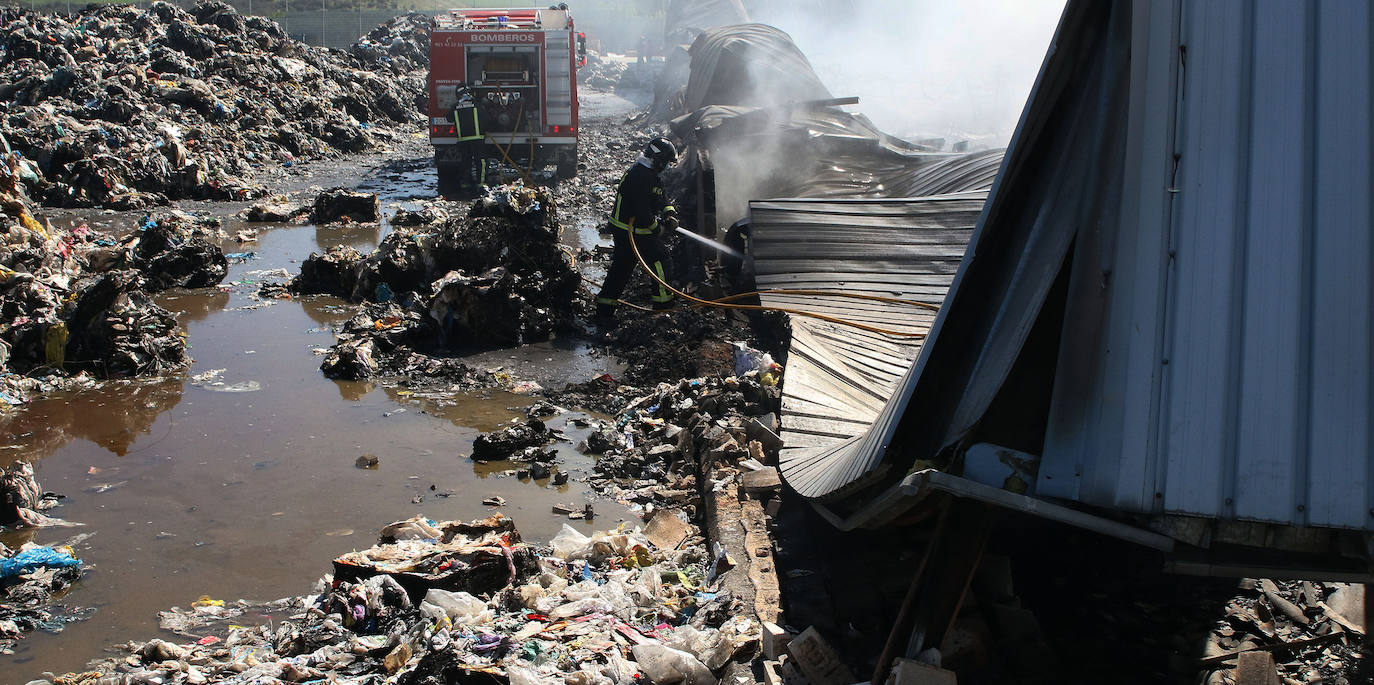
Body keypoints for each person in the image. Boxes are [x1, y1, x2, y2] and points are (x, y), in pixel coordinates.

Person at [596, 137, 679, 324]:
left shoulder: (646, 172)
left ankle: (604, 310)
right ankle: (663, 307)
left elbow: (659, 196)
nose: (666, 166)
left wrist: (669, 213)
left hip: (627, 229)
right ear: (658, 159)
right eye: (665, 162)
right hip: (631, 231)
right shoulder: (640, 176)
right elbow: (641, 209)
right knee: (660, 258)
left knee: (622, 268)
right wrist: (657, 229)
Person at [453, 81, 484, 194]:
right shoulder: (477, 104)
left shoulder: (455, 106)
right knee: (480, 162)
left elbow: (448, 118)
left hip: (463, 140)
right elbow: (485, 117)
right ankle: (481, 185)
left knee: (466, 162)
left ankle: (466, 184)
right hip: (477, 139)